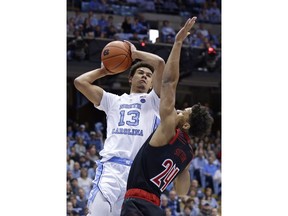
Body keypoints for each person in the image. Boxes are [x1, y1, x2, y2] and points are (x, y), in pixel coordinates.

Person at [120, 16, 214, 216]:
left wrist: (178, 42)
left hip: (136, 202)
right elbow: (181, 192)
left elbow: (169, 82)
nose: (180, 109)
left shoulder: (170, 127)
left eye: (184, 111)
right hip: (155, 208)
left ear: (186, 125)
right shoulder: (188, 154)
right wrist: (184, 169)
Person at [74, 40, 165, 216]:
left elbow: (160, 63)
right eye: (140, 72)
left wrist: (135, 54)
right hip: (112, 168)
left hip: (137, 175)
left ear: (152, 84)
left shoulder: (155, 102)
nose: (144, 76)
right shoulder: (113, 100)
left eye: (148, 75)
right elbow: (80, 82)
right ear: (130, 78)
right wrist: (103, 71)